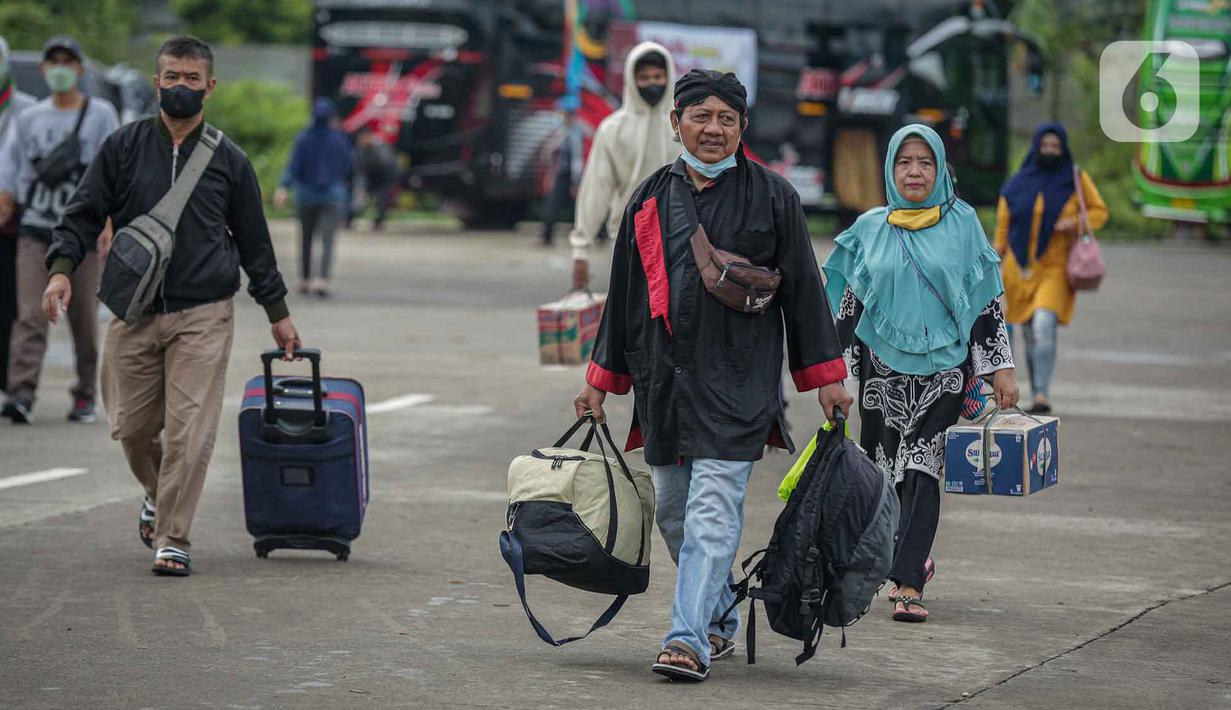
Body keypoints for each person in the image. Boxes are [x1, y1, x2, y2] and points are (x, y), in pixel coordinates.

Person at [573, 69, 852, 681]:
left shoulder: (775, 197)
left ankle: (687, 639)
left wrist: (826, 376)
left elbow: (805, 293)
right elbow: (624, 297)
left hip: (739, 384)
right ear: (676, 122)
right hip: (663, 386)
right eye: (700, 116)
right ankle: (720, 613)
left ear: (743, 127)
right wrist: (600, 379)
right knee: (674, 512)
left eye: (727, 118)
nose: (713, 129)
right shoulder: (648, 198)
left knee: (711, 512)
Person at [43, 36, 301, 576]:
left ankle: (173, 537)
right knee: (132, 428)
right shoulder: (124, 146)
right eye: (172, 77)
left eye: (191, 78)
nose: (181, 86)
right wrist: (62, 271)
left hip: (204, 312)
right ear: (156, 81)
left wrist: (277, 313)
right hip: (133, 310)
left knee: (189, 432)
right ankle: (157, 493)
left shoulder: (229, 161)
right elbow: (82, 213)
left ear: (210, 86)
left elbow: (255, 244)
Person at [822, 124, 1020, 624]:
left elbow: (984, 302)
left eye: (925, 162)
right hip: (881, 373)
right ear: (890, 169)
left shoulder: (964, 225)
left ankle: (908, 583)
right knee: (884, 471)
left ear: (940, 170)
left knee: (922, 468)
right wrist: (833, 375)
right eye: (904, 162)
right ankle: (904, 557)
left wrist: (1001, 368)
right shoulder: (868, 229)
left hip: (945, 373)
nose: (915, 171)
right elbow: (848, 308)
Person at [0, 36, 119, 424]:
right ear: (43, 69)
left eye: (68, 61)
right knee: (29, 315)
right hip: (36, 230)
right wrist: (6, 200)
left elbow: (114, 170)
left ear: (80, 69)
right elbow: (13, 168)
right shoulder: (31, 117)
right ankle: (21, 392)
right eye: (54, 62)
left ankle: (85, 393)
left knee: (83, 318)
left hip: (82, 237)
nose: (60, 69)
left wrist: (109, 221)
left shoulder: (100, 114)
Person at [994, 123, 1107, 414]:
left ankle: (1042, 393)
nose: (1049, 151)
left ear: (1063, 149)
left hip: (1054, 267)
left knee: (1044, 325)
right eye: (1045, 146)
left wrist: (1076, 223)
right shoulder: (1017, 183)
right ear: (1036, 147)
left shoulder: (1074, 178)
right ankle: (1035, 392)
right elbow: (1004, 226)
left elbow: (1098, 211)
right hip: (1018, 270)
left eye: (1055, 146)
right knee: (1029, 333)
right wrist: (994, 258)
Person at [568, 42, 677, 291]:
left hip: (678, 239)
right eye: (644, 78)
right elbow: (596, 188)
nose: (652, 83)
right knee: (629, 311)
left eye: (658, 76)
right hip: (627, 238)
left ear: (669, 77)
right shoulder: (613, 129)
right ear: (631, 80)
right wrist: (580, 248)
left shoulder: (683, 126)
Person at [274, 97, 353, 298]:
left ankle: (305, 279)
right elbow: (348, 166)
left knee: (306, 238)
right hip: (332, 196)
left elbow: (293, 166)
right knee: (327, 240)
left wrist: (283, 187)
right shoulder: (339, 140)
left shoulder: (304, 138)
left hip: (306, 196)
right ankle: (322, 280)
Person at [0, 36, 36, 403]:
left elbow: (31, 163)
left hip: (14, 223)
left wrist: (11, 196)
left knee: (12, 307)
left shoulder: (26, 109)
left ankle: (8, 382)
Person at [348, 127, 397, 230]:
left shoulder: (380, 146)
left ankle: (378, 222)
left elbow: (386, 165)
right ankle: (349, 219)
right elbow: (359, 165)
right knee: (360, 199)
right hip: (370, 178)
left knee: (381, 201)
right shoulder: (362, 149)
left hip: (383, 179)